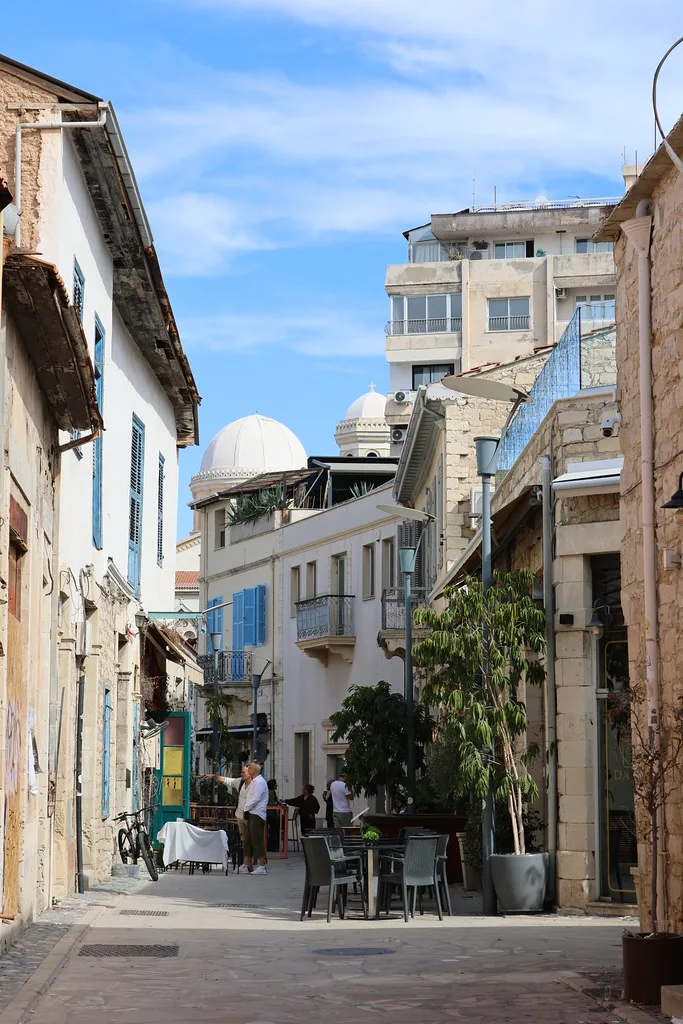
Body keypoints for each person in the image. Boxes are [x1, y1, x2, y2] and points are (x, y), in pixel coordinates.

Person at [204, 763, 251, 871]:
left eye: (244, 772)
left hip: (251, 816)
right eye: (242, 772)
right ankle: (246, 864)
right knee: (244, 840)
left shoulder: (256, 784)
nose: (242, 774)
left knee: (250, 841)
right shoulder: (240, 782)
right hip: (240, 815)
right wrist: (213, 776)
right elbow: (227, 780)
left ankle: (251, 863)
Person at [242, 761, 269, 874]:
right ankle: (246, 864)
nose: (248, 769)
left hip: (257, 814)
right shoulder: (254, 781)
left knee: (256, 839)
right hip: (251, 812)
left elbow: (255, 798)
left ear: (256, 770)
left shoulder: (259, 782)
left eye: (251, 768)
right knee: (248, 839)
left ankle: (262, 865)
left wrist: (246, 808)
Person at [266, 779, 280, 852]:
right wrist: (275, 803)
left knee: (274, 830)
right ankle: (272, 846)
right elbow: (267, 802)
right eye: (275, 784)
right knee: (273, 830)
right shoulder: (269, 793)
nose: (277, 785)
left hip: (273, 814)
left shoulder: (273, 792)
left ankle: (274, 846)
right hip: (270, 814)